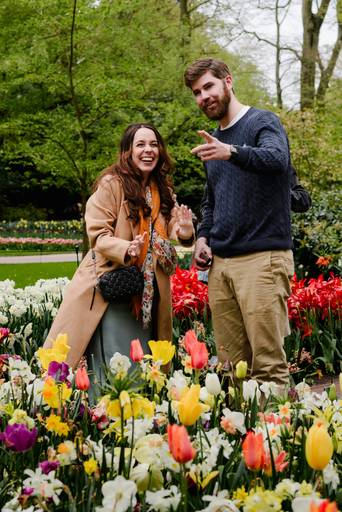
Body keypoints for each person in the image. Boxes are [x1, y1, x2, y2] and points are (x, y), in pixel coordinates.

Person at [43, 123, 194, 374]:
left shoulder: (163, 189)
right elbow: (98, 235)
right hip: (114, 286)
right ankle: (107, 411)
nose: (149, 150)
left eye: (154, 144)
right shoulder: (112, 185)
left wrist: (186, 231)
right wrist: (126, 248)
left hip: (150, 294)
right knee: (118, 364)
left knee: (146, 363)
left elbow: (176, 227)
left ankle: (136, 411)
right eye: (141, 145)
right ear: (127, 151)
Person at [184, 58, 295, 388]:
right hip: (222, 266)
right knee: (233, 371)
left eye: (209, 86)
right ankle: (243, 438)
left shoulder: (262, 122)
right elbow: (211, 201)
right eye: (197, 92)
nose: (204, 96)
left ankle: (276, 435)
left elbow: (277, 160)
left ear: (228, 81)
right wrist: (202, 237)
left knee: (268, 368)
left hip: (262, 259)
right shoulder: (213, 143)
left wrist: (231, 152)